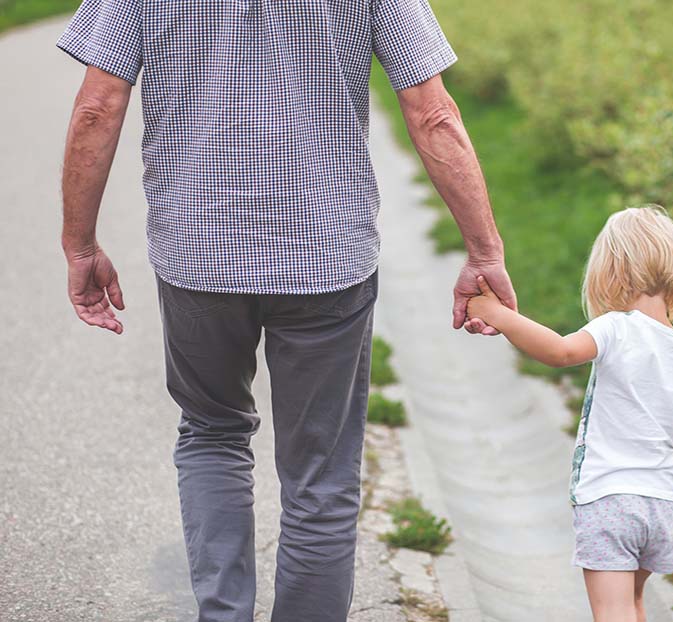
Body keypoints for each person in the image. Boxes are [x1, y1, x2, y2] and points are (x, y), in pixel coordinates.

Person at [56, 1, 515, 620]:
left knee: (212, 435)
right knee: (320, 477)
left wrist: (80, 244)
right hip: (326, 255)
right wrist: (484, 249)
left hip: (197, 250)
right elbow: (433, 114)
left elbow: (96, 107)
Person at [467, 205, 673, 622]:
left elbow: (559, 352)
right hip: (661, 505)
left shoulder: (616, 327)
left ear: (610, 273)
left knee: (612, 612)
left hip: (609, 498)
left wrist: (500, 315)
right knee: (632, 605)